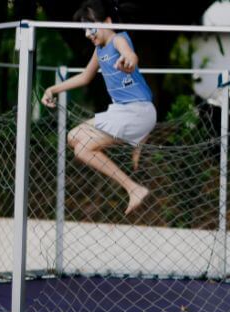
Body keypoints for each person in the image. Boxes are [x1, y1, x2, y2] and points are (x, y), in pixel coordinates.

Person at [40, 0, 156, 215]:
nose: (87, 34)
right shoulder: (99, 50)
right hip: (123, 110)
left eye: (90, 27)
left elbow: (130, 55)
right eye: (84, 29)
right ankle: (137, 141)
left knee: (83, 149)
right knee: (73, 137)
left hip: (138, 112)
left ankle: (134, 188)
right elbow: (85, 77)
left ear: (108, 22)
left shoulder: (118, 39)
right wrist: (52, 89)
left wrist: (128, 61)